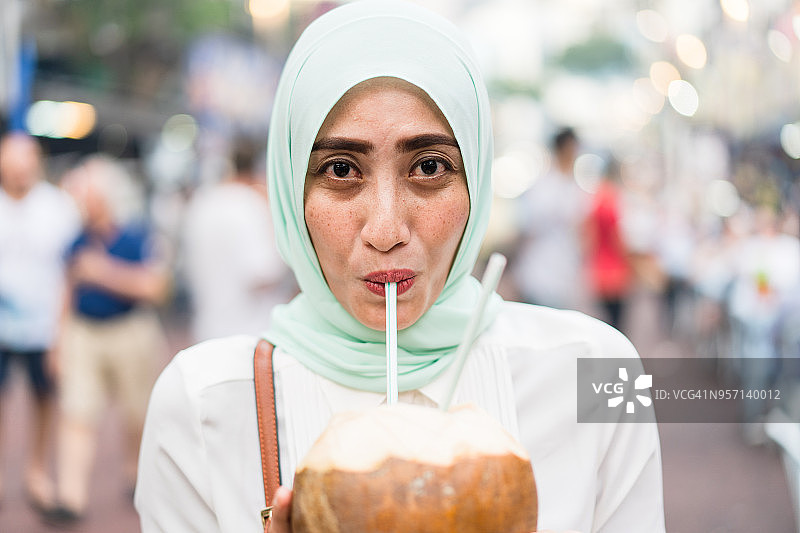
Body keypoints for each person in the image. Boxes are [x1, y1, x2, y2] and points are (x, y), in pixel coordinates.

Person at [135, 2, 665, 533]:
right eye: (341, 169)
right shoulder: (203, 403)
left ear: (475, 180)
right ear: (291, 185)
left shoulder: (598, 371)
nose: (386, 229)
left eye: (429, 166)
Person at [44, 155, 170, 526]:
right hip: (85, 334)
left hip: (130, 332)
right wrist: (58, 341)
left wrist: (102, 273)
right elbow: (65, 291)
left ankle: (135, 473)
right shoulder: (75, 240)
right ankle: (71, 495)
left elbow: (154, 286)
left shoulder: (136, 235)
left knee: (137, 412)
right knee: (77, 413)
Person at [0, 132, 81, 511]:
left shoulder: (57, 207)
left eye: (26, 166)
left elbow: (70, 273)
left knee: (43, 400)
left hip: (42, 326)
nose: (20, 174)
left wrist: (61, 336)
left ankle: (36, 470)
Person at [181, 137, 294, 342]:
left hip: (206, 328)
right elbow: (264, 273)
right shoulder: (250, 205)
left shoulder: (202, 200)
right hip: (249, 334)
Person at [512, 126, 590, 311]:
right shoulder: (544, 186)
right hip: (540, 267)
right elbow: (529, 227)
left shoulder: (574, 186)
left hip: (564, 268)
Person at [583, 158, 631, 331]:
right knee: (618, 323)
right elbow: (618, 236)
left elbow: (587, 234)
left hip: (599, 268)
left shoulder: (596, 197)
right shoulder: (612, 198)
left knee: (606, 322)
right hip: (615, 270)